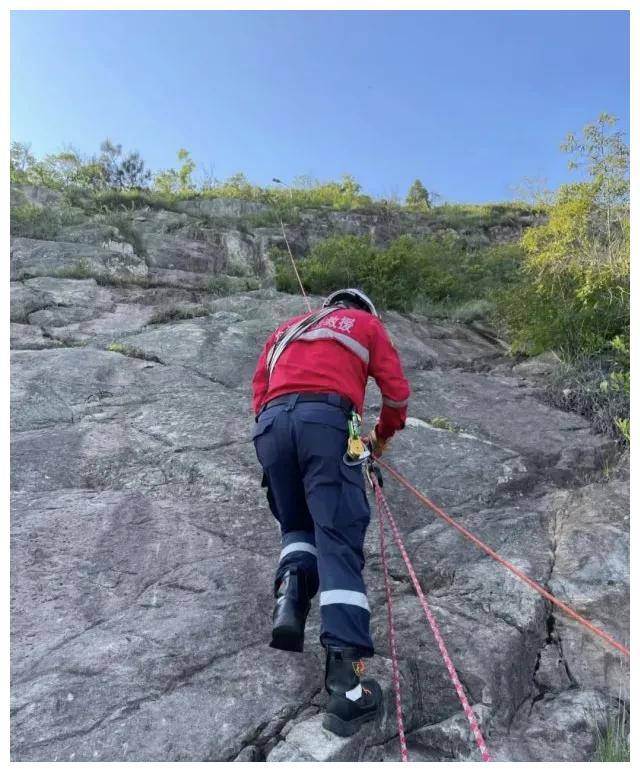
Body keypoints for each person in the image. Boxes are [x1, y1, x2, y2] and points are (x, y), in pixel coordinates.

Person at [251, 288, 410, 737]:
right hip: (328, 421)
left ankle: (291, 602)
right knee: (337, 540)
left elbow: (258, 391)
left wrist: (278, 435)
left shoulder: (286, 329)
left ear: (329, 304)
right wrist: (378, 439)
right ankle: (346, 688)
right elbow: (396, 395)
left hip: (272, 428)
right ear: (364, 310)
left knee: (297, 527)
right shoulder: (367, 326)